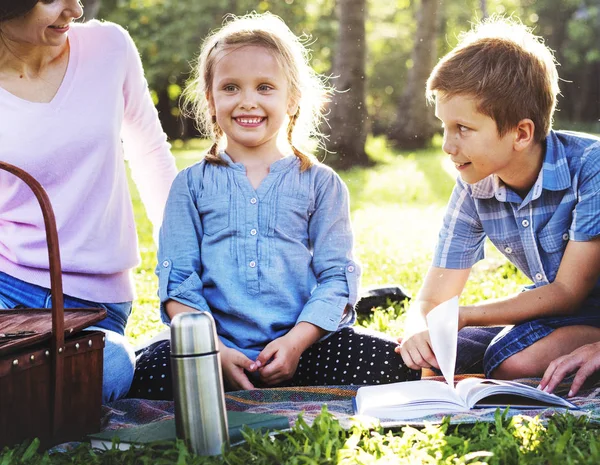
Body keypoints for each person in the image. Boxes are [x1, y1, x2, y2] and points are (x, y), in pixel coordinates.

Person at [129, 12, 419, 398]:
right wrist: (214, 350)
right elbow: (178, 282)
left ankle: (288, 368)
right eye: (231, 88)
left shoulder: (322, 184)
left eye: (265, 87)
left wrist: (297, 343)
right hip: (212, 348)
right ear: (211, 99)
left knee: (396, 365)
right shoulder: (191, 185)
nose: (247, 101)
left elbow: (336, 277)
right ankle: (226, 370)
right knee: (142, 374)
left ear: (293, 98)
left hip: (305, 345)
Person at [396, 17, 600, 385]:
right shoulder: (474, 186)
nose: (447, 145)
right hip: (560, 313)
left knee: (512, 362)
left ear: (521, 133)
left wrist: (467, 314)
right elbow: (432, 299)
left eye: (463, 129)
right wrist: (417, 333)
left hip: (581, 306)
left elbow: (569, 292)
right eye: (445, 126)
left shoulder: (590, 166)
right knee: (438, 359)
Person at [0, 0, 178, 402]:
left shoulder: (109, 47)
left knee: (111, 368)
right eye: (52, 0)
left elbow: (150, 153)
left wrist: (185, 267)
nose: (75, 10)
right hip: (7, 286)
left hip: (94, 305)